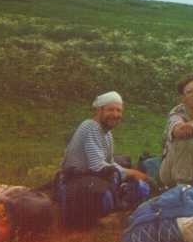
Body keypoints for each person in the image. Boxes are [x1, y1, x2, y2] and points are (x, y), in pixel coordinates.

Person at [59, 91, 150, 227]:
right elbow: (98, 167)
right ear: (99, 110)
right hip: (76, 180)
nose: (115, 114)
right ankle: (105, 215)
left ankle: (117, 208)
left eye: (118, 110)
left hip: (91, 177)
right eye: (110, 110)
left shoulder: (107, 134)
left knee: (139, 185)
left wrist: (132, 173)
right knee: (109, 194)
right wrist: (132, 173)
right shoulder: (90, 127)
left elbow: (109, 162)